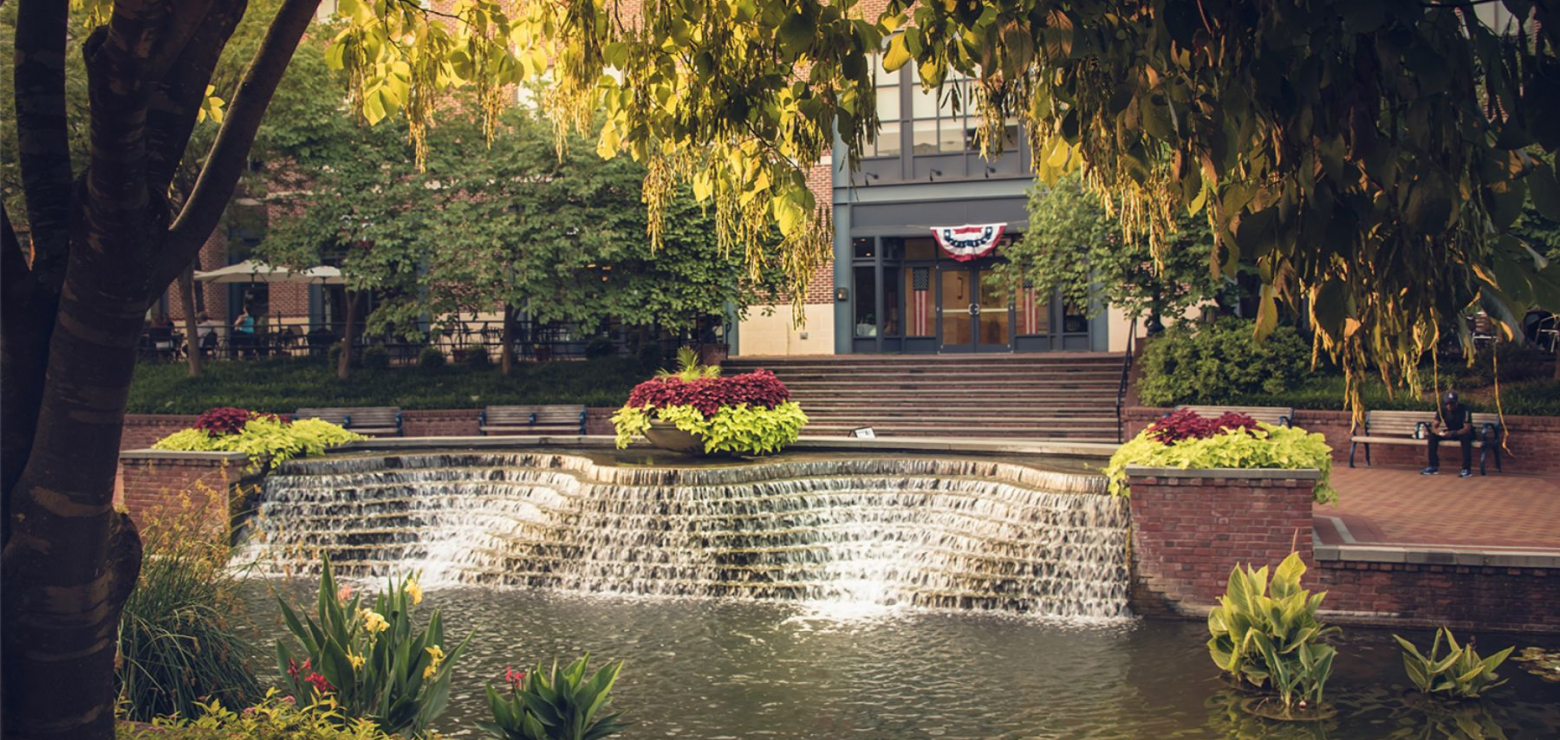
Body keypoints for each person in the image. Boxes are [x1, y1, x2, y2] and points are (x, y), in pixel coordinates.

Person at [1423, 390, 1474, 478]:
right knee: (1432, 437)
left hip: (1462, 432)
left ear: (1457, 402)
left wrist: (1453, 433)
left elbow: (1467, 428)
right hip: (1450, 431)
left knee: (1465, 438)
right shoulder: (1442, 410)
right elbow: (1434, 426)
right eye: (1447, 403)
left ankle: (1466, 469)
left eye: (1452, 403)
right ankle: (1433, 466)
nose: (1449, 406)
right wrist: (1440, 433)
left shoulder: (1465, 409)